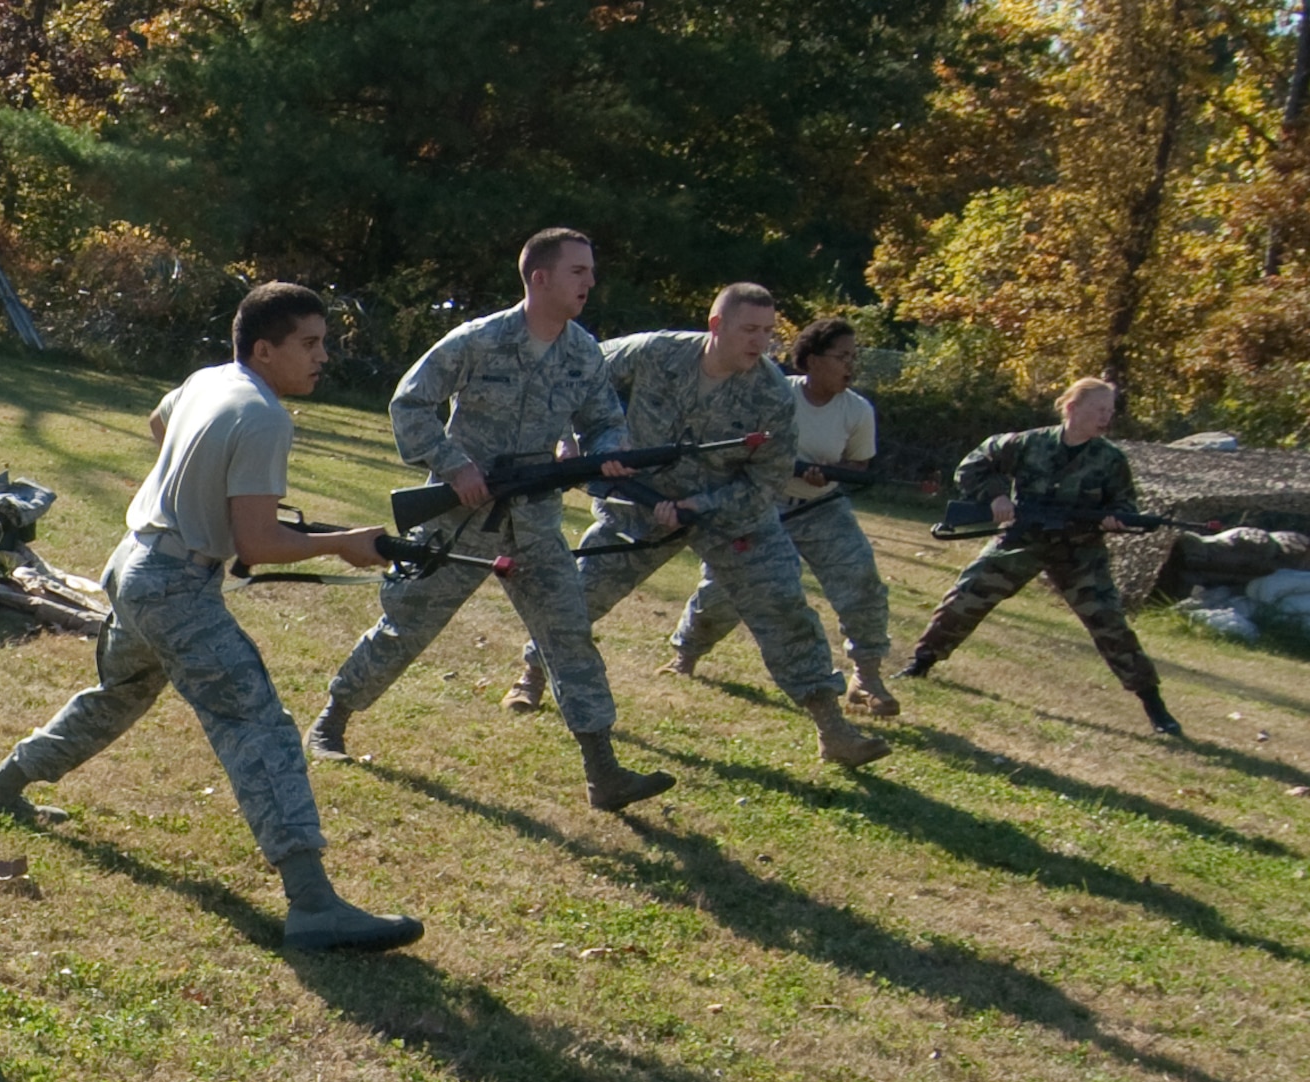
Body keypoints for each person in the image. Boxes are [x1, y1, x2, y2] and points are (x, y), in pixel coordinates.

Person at [0, 283, 424, 952]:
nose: (323, 357)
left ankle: (0, 786)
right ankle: (314, 903)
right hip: (173, 585)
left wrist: (196, 493)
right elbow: (261, 544)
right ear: (264, 350)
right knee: (256, 721)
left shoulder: (211, 378)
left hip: (133, 561)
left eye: (324, 342)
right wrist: (343, 542)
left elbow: (161, 423)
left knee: (119, 694)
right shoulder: (266, 416)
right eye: (309, 344)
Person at [302, 228, 674, 812]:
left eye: (591, 271)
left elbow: (604, 419)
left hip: (535, 522)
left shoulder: (583, 352)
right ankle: (331, 721)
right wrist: (453, 466)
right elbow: (410, 403)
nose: (591, 282)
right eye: (579, 271)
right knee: (408, 625)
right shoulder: (478, 341)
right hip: (459, 517)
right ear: (540, 277)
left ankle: (604, 772)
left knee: (568, 635)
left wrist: (603, 451)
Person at [500, 285, 890, 766]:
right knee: (578, 597)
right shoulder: (658, 352)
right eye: (749, 330)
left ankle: (834, 730)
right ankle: (532, 678)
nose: (760, 343)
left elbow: (766, 481)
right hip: (639, 504)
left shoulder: (772, 394)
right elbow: (576, 375)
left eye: (768, 333)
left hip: (730, 514)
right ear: (716, 325)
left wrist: (697, 505)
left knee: (784, 606)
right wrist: (573, 442)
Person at [895, 377, 1182, 735]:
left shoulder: (1110, 459)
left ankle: (1155, 708)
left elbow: (1125, 504)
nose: (1105, 418)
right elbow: (975, 463)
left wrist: (1117, 519)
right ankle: (920, 663)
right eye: (1098, 410)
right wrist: (996, 496)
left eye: (1109, 411)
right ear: (1072, 407)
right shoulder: (1027, 443)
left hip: (1079, 551)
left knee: (1110, 625)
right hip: (1023, 540)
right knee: (966, 596)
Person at [654, 317, 899, 715]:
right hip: (760, 504)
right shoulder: (774, 393)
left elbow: (860, 465)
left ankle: (867, 678)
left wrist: (825, 476)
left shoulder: (857, 411)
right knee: (724, 591)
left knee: (862, 583)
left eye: (854, 357)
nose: (850, 366)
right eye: (841, 356)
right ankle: (686, 655)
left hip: (822, 509)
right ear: (813, 359)